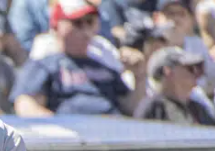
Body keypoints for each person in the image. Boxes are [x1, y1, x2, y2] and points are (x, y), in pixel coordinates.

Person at [11, 0, 146, 116]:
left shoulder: (104, 64)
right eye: (77, 23)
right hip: (73, 140)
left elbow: (131, 108)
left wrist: (139, 76)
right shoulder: (45, 64)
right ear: (56, 26)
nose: (85, 29)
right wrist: (57, 128)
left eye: (90, 22)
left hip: (111, 134)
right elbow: (25, 104)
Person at [135, 45, 215, 123]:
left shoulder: (198, 109)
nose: (196, 74)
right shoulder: (152, 108)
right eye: (190, 69)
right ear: (168, 71)